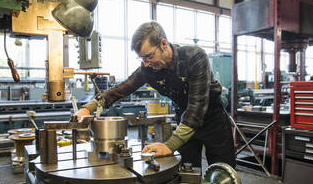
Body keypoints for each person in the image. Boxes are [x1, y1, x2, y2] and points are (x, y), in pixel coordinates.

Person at [77, 20, 235, 170]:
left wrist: (169, 145)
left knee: (222, 173)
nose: (146, 64)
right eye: (142, 59)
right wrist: (88, 108)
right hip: (184, 120)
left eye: (149, 56)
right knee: (187, 173)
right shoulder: (148, 69)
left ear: (163, 44)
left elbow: (197, 107)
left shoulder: (194, 57)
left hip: (213, 120)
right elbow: (121, 89)